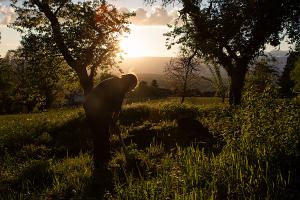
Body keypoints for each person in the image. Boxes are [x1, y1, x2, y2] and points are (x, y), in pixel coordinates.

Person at [84, 74, 138, 168]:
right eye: (132, 87)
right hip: (94, 108)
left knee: (102, 134)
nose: (130, 90)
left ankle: (103, 161)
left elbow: (116, 110)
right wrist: (113, 123)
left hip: (93, 107)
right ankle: (102, 163)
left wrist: (114, 123)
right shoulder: (119, 87)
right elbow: (106, 108)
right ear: (129, 83)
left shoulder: (118, 83)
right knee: (101, 135)